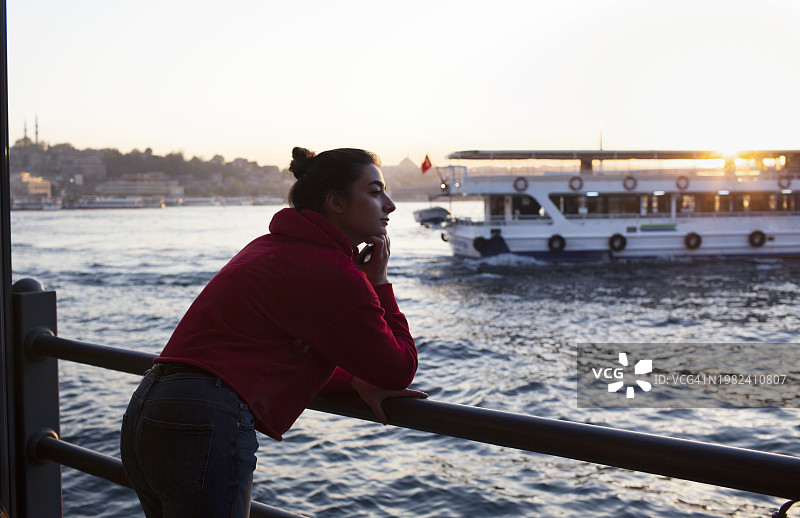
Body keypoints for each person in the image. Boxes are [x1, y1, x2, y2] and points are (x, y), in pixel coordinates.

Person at [120, 147, 426, 518]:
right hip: (205, 421)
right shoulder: (331, 271)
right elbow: (398, 369)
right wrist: (377, 282)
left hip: (149, 407)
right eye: (375, 192)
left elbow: (268, 348)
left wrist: (352, 382)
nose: (389, 205)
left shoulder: (269, 248)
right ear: (336, 203)